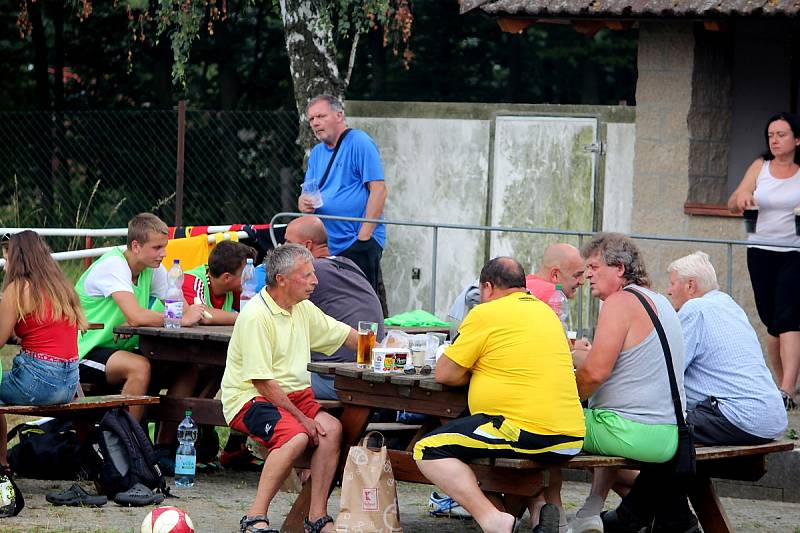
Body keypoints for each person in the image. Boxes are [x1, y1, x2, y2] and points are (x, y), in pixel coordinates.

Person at [414, 257, 585, 533]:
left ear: (487, 288)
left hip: (523, 430)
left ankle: (494, 519)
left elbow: (445, 374)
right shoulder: (546, 313)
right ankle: (539, 509)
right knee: (479, 443)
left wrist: (475, 368)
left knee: (427, 449)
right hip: (570, 435)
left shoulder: (486, 313)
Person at [221, 244, 359, 533]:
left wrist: (387, 350)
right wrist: (303, 418)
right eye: (306, 275)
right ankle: (254, 517)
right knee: (295, 437)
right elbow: (262, 382)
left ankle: (316, 517)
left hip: (293, 396)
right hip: (251, 398)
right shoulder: (256, 315)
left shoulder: (302, 308)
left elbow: (345, 335)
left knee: (332, 430)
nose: (315, 281)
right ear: (282, 279)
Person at [568, 233, 694, 533]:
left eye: (595, 267)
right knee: (595, 414)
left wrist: (561, 398)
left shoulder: (619, 302)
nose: (588, 275)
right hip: (670, 434)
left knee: (536, 421)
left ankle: (545, 516)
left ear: (620, 269)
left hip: (632, 432)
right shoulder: (659, 301)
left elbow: (595, 374)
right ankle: (591, 509)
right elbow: (618, 365)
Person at [75, 212, 206, 424]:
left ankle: (165, 446)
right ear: (136, 246)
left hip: (120, 349)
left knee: (186, 367)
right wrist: (176, 320)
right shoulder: (113, 265)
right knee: (139, 367)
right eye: (157, 248)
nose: (163, 254)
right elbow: (141, 317)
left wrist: (148, 318)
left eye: (164, 247)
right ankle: (129, 446)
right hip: (82, 350)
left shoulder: (151, 267)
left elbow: (182, 308)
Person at [666, 251, 787, 443]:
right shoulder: (729, 304)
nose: (668, 291)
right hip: (772, 420)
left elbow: (670, 369)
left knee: (658, 425)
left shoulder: (695, 308)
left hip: (740, 418)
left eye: (672, 283)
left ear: (690, 285)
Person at [728, 111, 800, 410]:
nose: (775, 140)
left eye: (781, 134)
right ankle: (783, 389)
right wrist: (743, 196)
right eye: (771, 135)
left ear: (796, 139)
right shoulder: (761, 166)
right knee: (771, 320)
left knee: (788, 316)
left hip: (794, 251)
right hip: (759, 249)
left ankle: (787, 387)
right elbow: (733, 202)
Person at [0, 231, 87, 470]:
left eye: (6, 257)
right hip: (69, 385)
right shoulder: (61, 287)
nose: (5, 264)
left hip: (38, 383)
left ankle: (2, 462)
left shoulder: (17, 289)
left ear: (16, 258)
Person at [280, 215, 384, 399]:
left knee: (265, 380)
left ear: (306, 246)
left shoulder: (310, 274)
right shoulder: (349, 265)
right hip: (370, 373)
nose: (281, 248)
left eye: (288, 243)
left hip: (338, 378)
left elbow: (269, 305)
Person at [298, 94, 388, 294]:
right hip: (327, 245)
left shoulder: (360, 142)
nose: (315, 123)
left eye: (321, 116)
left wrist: (364, 237)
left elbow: (379, 190)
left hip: (356, 241)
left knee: (359, 301)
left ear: (339, 115)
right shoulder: (317, 153)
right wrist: (303, 203)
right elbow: (307, 194)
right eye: (311, 119)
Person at [180, 240, 256, 325]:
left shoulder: (235, 288)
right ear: (226, 277)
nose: (249, 278)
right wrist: (244, 318)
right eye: (245, 274)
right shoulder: (191, 280)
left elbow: (256, 312)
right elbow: (202, 316)